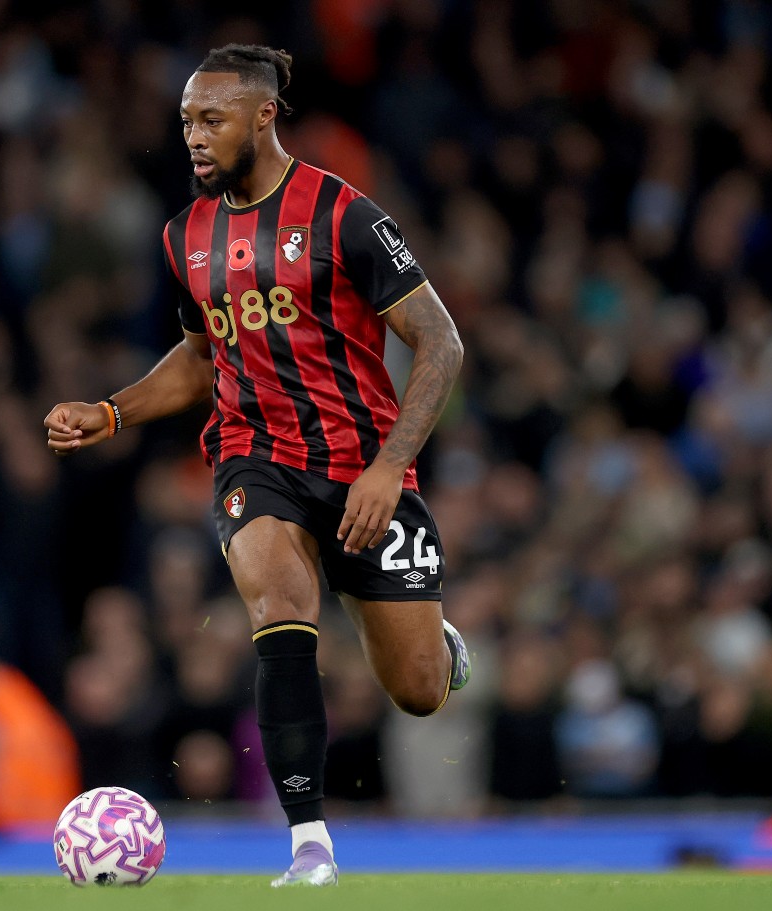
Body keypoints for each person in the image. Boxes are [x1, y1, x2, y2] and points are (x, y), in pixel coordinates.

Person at [45, 43, 470, 887]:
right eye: (186, 122)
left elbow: (441, 342)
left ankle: (437, 640)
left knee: (420, 690)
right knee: (279, 603)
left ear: (264, 115)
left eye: (212, 119)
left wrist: (390, 465)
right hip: (255, 457)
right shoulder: (185, 235)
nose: (194, 137)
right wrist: (113, 410)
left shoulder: (345, 215)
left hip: (363, 467)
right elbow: (201, 356)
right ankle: (310, 844)